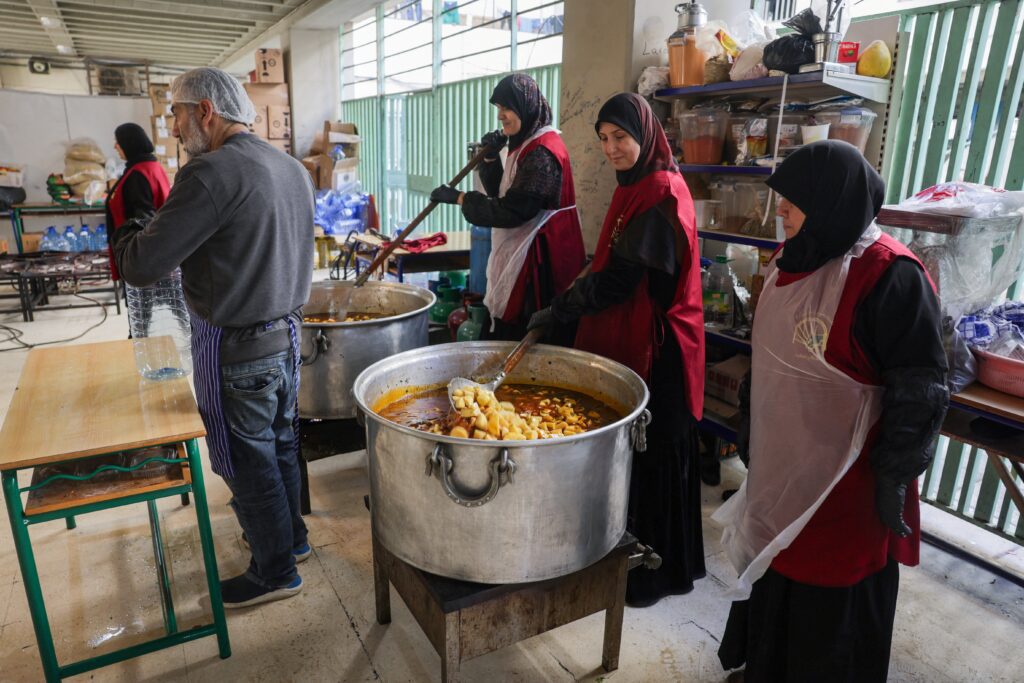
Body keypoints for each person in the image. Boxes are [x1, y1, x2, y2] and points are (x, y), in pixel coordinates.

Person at [715, 141, 949, 681]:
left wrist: (895, 474)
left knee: (829, 596)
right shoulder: (788, 261)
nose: (780, 212)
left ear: (830, 202)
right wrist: (754, 428)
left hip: (848, 482)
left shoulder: (890, 276)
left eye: (791, 202)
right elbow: (770, 358)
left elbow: (922, 387)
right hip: (784, 463)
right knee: (778, 565)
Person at [114, 67, 315, 609]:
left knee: (248, 461)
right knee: (278, 445)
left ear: (206, 110)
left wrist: (134, 230)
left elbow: (143, 266)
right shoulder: (292, 168)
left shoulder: (208, 174)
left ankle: (274, 572)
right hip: (287, 339)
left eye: (177, 113)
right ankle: (291, 541)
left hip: (238, 349)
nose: (174, 128)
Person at [528, 92, 706, 606]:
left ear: (645, 136)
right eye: (604, 139)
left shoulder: (661, 193)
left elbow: (618, 281)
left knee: (656, 457)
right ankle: (633, 558)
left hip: (663, 344)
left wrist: (561, 308)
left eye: (620, 137)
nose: (611, 148)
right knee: (638, 455)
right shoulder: (634, 186)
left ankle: (659, 573)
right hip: (637, 332)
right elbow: (606, 263)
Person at [429, 73, 586, 341]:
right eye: (499, 109)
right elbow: (503, 191)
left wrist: (461, 198)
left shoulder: (543, 152)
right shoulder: (526, 142)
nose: (501, 115)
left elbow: (512, 210)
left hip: (543, 258)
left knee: (532, 333)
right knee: (513, 329)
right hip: (525, 247)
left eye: (507, 107)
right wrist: (490, 158)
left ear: (526, 106)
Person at [105, 123, 169, 280]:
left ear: (129, 143)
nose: (115, 146)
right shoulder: (151, 167)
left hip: (139, 261)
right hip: (148, 258)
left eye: (118, 141)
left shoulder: (138, 175)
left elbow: (142, 221)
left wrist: (136, 263)